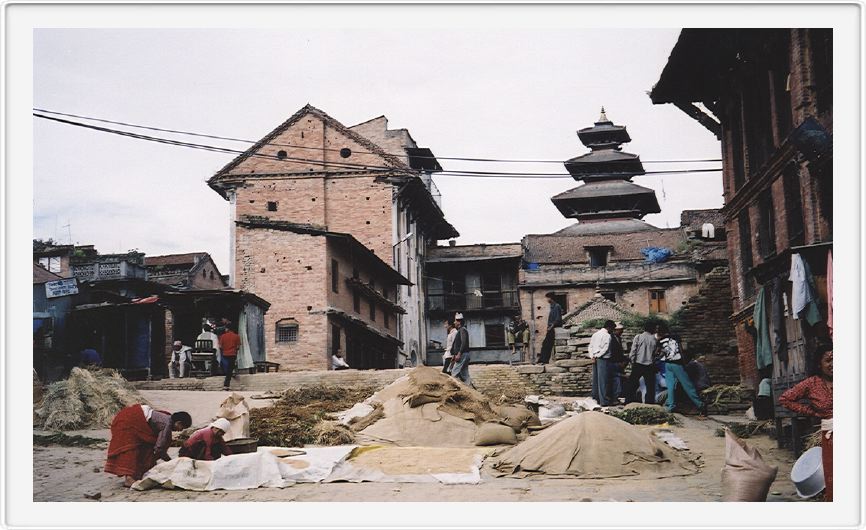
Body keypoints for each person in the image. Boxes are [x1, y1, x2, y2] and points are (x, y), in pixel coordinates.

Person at [779, 344, 833, 501]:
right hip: (831, 437)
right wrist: (812, 412)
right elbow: (785, 399)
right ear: (819, 363)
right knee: (833, 476)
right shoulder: (812, 383)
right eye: (828, 360)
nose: (834, 364)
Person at [104, 404, 192, 487]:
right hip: (128, 421)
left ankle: (139, 473)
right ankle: (129, 479)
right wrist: (171, 462)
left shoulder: (167, 418)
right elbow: (159, 448)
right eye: (182, 427)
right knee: (131, 448)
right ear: (178, 422)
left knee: (147, 447)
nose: (180, 430)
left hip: (134, 418)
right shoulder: (166, 424)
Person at [658, 325, 706, 415]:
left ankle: (670, 406)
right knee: (687, 385)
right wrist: (684, 364)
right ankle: (700, 405)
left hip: (668, 364)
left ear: (660, 332)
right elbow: (680, 350)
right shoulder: (676, 337)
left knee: (671, 386)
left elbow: (661, 353)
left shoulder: (660, 340)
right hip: (677, 364)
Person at [625, 322, 659, 404]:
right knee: (650, 385)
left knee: (632, 383)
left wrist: (632, 361)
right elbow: (654, 354)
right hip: (649, 364)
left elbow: (633, 351)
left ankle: (628, 400)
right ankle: (649, 402)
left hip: (638, 363)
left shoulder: (638, 337)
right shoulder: (654, 339)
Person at [589, 320, 616, 406]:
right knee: (603, 381)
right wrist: (597, 356)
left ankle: (595, 398)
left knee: (596, 380)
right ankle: (603, 401)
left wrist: (592, 356)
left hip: (595, 357)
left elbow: (591, 346)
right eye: (612, 329)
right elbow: (605, 348)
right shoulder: (607, 335)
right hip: (602, 358)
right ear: (609, 327)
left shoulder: (595, 334)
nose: (613, 331)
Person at [539, 293, 563, 364]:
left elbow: (557, 319)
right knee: (545, 344)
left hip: (554, 328)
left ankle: (544, 360)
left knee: (547, 344)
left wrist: (551, 327)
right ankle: (543, 360)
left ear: (551, 298)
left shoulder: (557, 306)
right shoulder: (552, 307)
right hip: (551, 328)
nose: (547, 299)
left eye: (547, 298)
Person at [449, 313, 472, 387]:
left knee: (454, 373)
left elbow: (463, 342)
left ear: (459, 322)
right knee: (464, 374)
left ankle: (453, 389)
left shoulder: (462, 330)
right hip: (463, 354)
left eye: (455, 321)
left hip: (462, 354)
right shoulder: (460, 330)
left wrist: (459, 354)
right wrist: (455, 355)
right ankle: (470, 390)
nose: (454, 323)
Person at [218, 325, 241, 391]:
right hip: (233, 354)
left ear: (227, 329)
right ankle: (226, 385)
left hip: (225, 354)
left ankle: (226, 384)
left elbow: (220, 346)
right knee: (229, 370)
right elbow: (238, 347)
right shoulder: (236, 336)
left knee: (228, 369)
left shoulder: (223, 336)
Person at [609, 323, 627, 401]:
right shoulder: (611, 338)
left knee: (619, 380)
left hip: (619, 362)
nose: (622, 332)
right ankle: (615, 397)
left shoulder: (618, 338)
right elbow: (613, 352)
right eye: (620, 330)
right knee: (616, 379)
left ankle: (619, 395)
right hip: (614, 362)